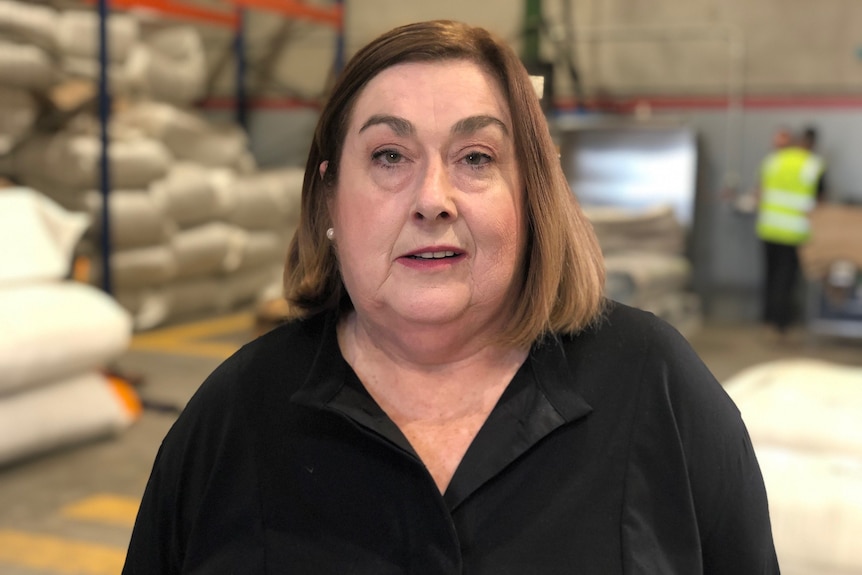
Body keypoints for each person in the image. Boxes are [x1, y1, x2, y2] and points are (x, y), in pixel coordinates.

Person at [123, 20, 779, 574]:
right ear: (328, 197)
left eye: (476, 157)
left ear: (531, 195)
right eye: (388, 156)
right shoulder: (234, 416)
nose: (433, 199)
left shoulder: (654, 386)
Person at [756, 125, 825, 337]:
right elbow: (821, 199)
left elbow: (760, 191)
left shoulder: (773, 160)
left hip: (768, 228)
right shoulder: (814, 164)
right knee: (786, 280)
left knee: (769, 276)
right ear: (812, 143)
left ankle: (767, 320)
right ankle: (781, 324)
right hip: (794, 232)